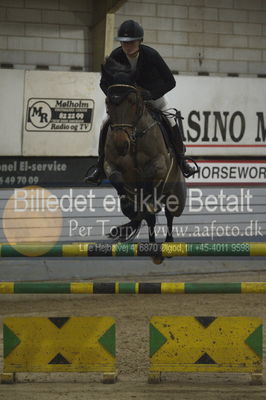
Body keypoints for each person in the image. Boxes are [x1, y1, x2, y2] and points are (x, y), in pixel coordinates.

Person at [85, 19, 196, 184]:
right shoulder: (115, 56)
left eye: (131, 42)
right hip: (123, 102)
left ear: (140, 41)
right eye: (124, 42)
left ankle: (181, 160)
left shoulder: (151, 55)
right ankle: (100, 166)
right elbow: (104, 82)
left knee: (170, 119)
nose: (127, 46)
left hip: (151, 97)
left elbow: (170, 81)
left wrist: (150, 94)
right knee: (104, 123)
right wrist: (115, 97)